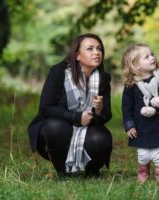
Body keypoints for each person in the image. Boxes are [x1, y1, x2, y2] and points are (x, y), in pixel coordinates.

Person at [28, 33, 112, 177]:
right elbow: (45, 108)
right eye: (90, 49)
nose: (96, 52)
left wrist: (99, 110)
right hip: (58, 129)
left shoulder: (104, 78)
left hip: (87, 129)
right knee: (55, 126)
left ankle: (92, 172)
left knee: (101, 138)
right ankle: (62, 172)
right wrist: (76, 117)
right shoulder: (58, 72)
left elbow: (106, 116)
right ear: (78, 55)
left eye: (99, 49)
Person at [121, 44, 159, 183]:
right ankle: (142, 175)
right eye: (146, 57)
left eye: (152, 54)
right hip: (141, 127)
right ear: (135, 65)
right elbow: (127, 107)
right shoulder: (131, 84)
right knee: (143, 154)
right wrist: (129, 125)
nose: (152, 58)